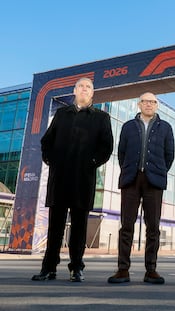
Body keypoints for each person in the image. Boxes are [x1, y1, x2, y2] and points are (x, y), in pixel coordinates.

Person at [32, 77, 114, 282]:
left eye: (88, 87)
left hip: (83, 179)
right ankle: (48, 268)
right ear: (74, 91)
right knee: (55, 227)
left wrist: (92, 162)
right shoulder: (61, 114)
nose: (84, 90)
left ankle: (76, 268)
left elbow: (107, 147)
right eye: (81, 87)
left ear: (92, 94)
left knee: (79, 226)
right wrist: (50, 159)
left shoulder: (101, 117)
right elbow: (46, 141)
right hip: (59, 178)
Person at [107, 92, 175, 284]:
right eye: (145, 101)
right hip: (131, 179)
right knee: (126, 226)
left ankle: (151, 270)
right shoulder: (128, 126)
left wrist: (157, 170)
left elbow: (169, 155)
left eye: (152, 102)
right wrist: (131, 169)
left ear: (157, 105)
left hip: (154, 181)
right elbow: (121, 153)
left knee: (153, 227)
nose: (148, 104)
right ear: (139, 104)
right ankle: (122, 269)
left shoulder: (166, 127)